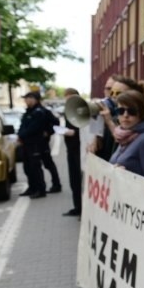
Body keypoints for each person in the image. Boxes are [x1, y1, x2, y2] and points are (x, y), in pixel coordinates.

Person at [109, 90, 144, 180]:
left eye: (132, 111)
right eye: (121, 111)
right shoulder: (124, 136)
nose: (125, 115)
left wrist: (127, 177)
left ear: (141, 114)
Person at [17, 91, 52, 199]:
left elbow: (33, 128)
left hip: (35, 144)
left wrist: (21, 135)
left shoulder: (39, 112)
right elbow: (23, 126)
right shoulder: (28, 112)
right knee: (27, 167)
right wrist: (20, 135)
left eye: (27, 98)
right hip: (26, 144)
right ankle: (32, 187)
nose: (25, 101)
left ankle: (40, 190)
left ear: (33, 99)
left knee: (35, 167)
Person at [61, 88, 82, 216]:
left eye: (71, 98)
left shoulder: (81, 110)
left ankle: (82, 208)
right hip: (71, 149)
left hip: (79, 149)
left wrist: (74, 132)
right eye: (67, 98)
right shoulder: (68, 111)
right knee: (73, 180)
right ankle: (77, 207)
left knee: (80, 180)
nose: (68, 101)